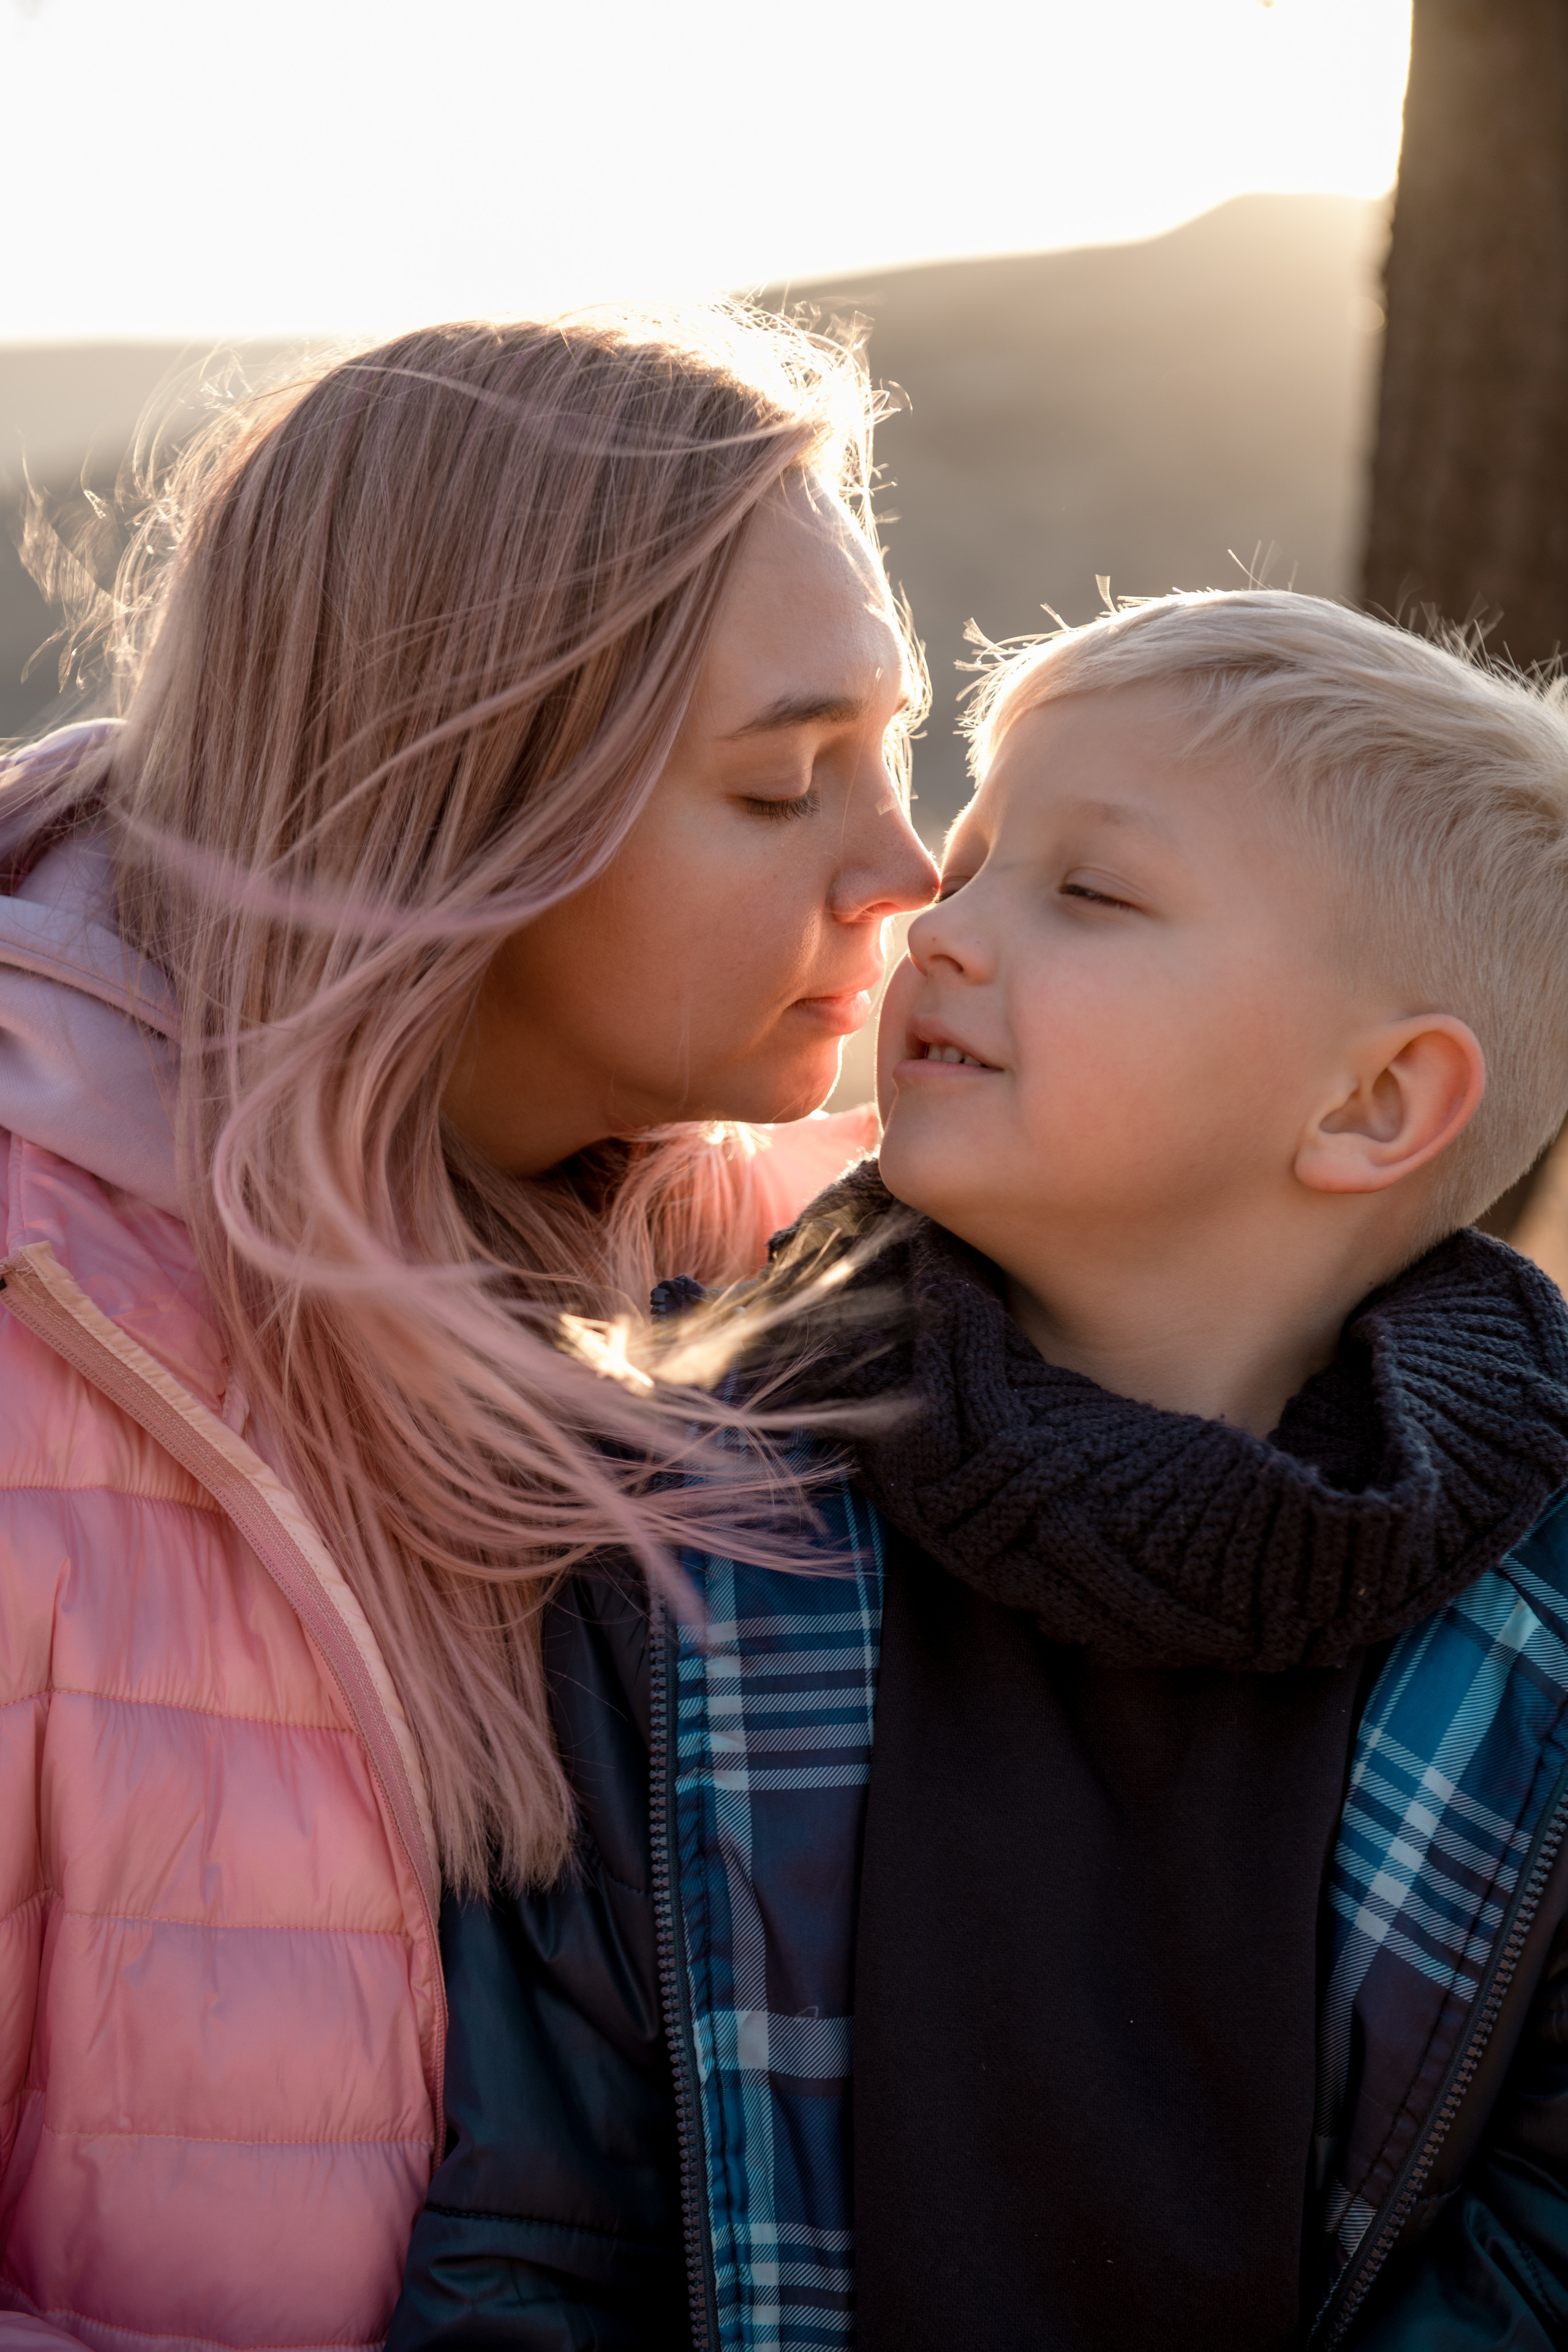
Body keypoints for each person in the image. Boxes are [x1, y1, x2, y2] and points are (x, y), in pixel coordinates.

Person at [393, 590, 1568, 2352]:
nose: (938, 932)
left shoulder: (1536, 1639)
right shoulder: (684, 1524)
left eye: (1088, 892)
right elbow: (541, 2227)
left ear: (1372, 1106)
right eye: (971, 863)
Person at [0, 306, 938, 2349]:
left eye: (897, 745)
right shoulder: (37, 1338)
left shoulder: (803, 1291)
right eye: (790, 784)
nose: (913, 864)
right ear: (462, 805)